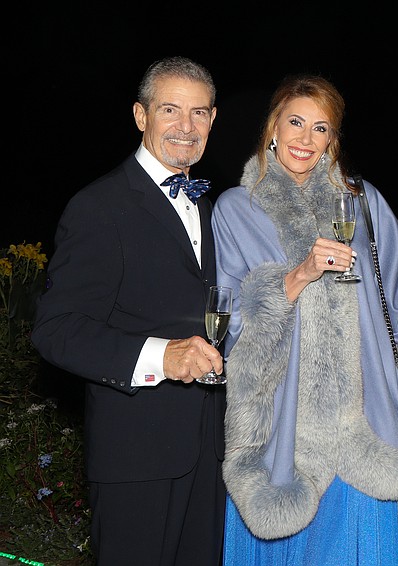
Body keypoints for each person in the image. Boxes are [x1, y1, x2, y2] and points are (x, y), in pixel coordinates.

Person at [211, 74, 398, 565]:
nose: (305, 139)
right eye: (295, 122)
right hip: (282, 435)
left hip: (360, 431)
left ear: (332, 140)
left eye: (320, 128)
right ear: (273, 127)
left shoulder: (363, 202)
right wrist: (296, 277)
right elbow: (226, 324)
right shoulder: (234, 210)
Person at [30, 56, 226, 565]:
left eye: (199, 113)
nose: (186, 127)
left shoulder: (209, 203)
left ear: (212, 120)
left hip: (207, 452)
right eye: (170, 110)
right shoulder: (99, 206)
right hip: (136, 458)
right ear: (141, 116)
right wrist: (163, 357)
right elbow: (57, 330)